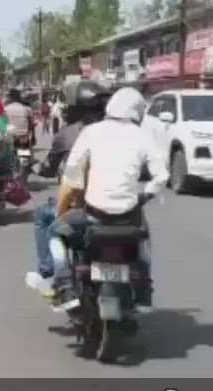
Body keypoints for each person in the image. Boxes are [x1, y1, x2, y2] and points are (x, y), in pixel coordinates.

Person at [49, 87, 168, 309]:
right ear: (138, 112)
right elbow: (162, 175)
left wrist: (69, 202)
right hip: (128, 218)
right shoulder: (143, 136)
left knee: (55, 232)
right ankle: (144, 291)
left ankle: (65, 284)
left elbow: (72, 172)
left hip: (94, 215)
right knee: (144, 240)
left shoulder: (91, 132)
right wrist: (146, 194)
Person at [27, 82, 110, 292]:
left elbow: (51, 170)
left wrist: (34, 168)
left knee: (44, 217)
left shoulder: (69, 134)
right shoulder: (119, 132)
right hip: (120, 209)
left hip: (81, 206)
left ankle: (49, 273)